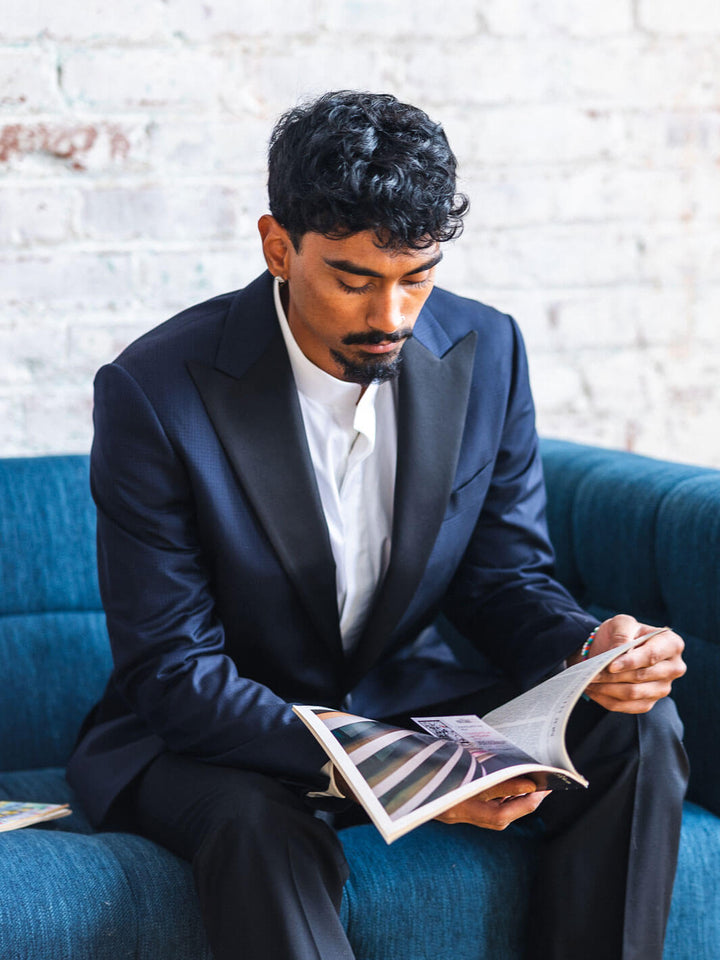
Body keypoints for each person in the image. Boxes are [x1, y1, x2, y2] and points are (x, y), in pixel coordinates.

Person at [67, 91, 688, 960]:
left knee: (638, 725)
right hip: (217, 736)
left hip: (399, 702)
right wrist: (409, 775)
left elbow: (503, 579)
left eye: (417, 278)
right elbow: (175, 672)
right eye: (354, 278)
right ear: (278, 246)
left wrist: (589, 650)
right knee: (257, 827)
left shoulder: (488, 349)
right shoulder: (157, 391)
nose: (391, 317)